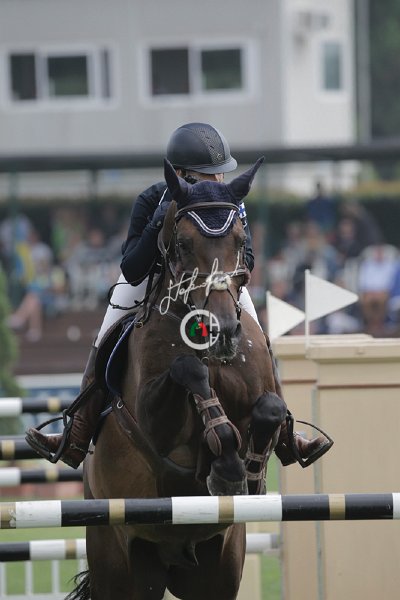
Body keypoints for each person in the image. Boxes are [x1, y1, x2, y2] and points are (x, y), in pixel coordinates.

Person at [26, 122, 330, 470]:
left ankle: (287, 432)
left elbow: (246, 257)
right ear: (182, 174)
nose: (218, 180)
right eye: (208, 174)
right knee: (108, 329)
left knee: (260, 338)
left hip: (216, 283)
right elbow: (133, 267)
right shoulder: (152, 199)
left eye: (220, 172)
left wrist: (228, 276)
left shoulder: (230, 200)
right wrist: (158, 221)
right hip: (155, 281)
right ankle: (77, 432)